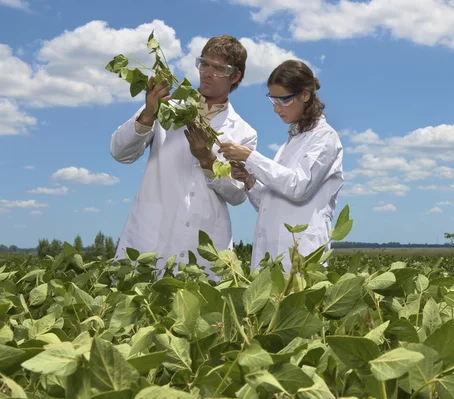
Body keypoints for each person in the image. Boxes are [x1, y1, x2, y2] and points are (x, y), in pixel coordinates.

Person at [109, 35, 257, 279]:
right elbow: (120, 152)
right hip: (152, 237)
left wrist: (207, 160)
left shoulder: (244, 132)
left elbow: (238, 194)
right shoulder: (167, 105)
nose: (207, 73)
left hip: (205, 241)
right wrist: (148, 114)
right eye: (204, 64)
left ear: (236, 76)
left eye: (218, 68)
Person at [218, 59, 343, 273]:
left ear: (305, 95)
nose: (276, 109)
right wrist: (249, 181)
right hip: (273, 256)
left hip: (302, 253)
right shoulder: (291, 142)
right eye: (272, 100)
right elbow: (269, 205)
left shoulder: (326, 138)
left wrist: (250, 157)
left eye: (283, 101)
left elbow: (298, 187)